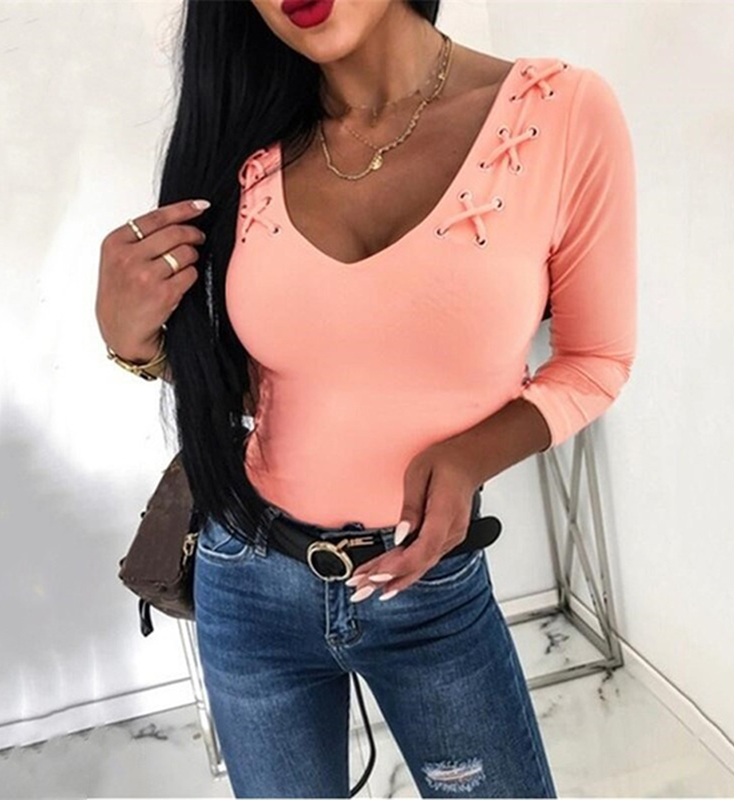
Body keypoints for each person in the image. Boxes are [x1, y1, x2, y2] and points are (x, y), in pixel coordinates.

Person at [96, 0, 636, 796]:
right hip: (247, 581)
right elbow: (263, 382)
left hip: (426, 590)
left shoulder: (559, 113)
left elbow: (595, 361)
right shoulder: (248, 143)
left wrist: (468, 457)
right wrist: (134, 343)